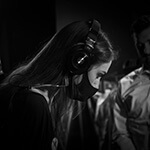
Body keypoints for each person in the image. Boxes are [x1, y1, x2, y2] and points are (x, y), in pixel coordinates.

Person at [0, 19, 117, 150]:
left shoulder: (43, 101)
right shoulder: (33, 104)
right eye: (99, 75)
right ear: (78, 63)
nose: (97, 84)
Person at [106, 15, 150, 150]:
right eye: (140, 45)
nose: (146, 51)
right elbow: (119, 133)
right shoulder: (125, 85)